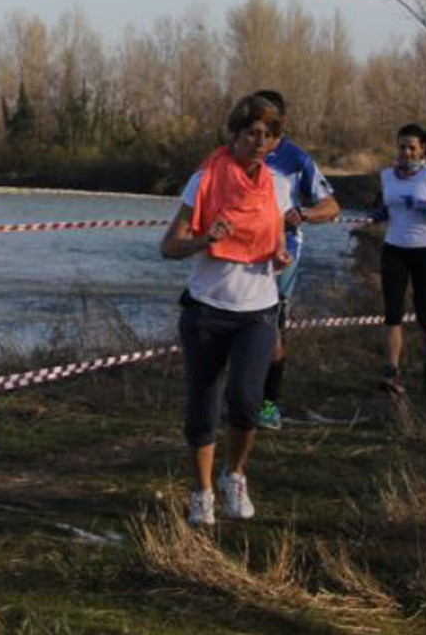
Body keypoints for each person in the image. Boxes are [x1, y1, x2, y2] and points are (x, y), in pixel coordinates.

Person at [160, 94, 293, 527]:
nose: (258, 141)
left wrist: (281, 252)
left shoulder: (278, 185)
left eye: (267, 135)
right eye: (250, 133)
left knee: (247, 401)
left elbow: (279, 234)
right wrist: (205, 239)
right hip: (207, 309)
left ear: (275, 142)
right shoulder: (204, 181)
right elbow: (169, 246)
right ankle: (201, 493)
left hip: (257, 309)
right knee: (203, 406)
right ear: (233, 135)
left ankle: (234, 474)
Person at [248, 90, 340, 431]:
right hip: (239, 254)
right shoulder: (238, 153)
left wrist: (301, 213)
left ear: (279, 124)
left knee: (269, 328)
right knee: (237, 325)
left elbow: (332, 207)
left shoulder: (295, 159)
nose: (259, 133)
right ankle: (241, 399)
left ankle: (269, 406)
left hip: (282, 255)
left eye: (267, 123)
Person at [377, 123, 426, 397]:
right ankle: (392, 373)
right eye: (402, 147)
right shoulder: (386, 175)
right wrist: (371, 217)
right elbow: (383, 207)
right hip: (393, 249)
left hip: (424, 251)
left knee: (424, 315)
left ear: (422, 149)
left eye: (412, 147)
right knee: (392, 314)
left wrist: (425, 206)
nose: (406, 152)